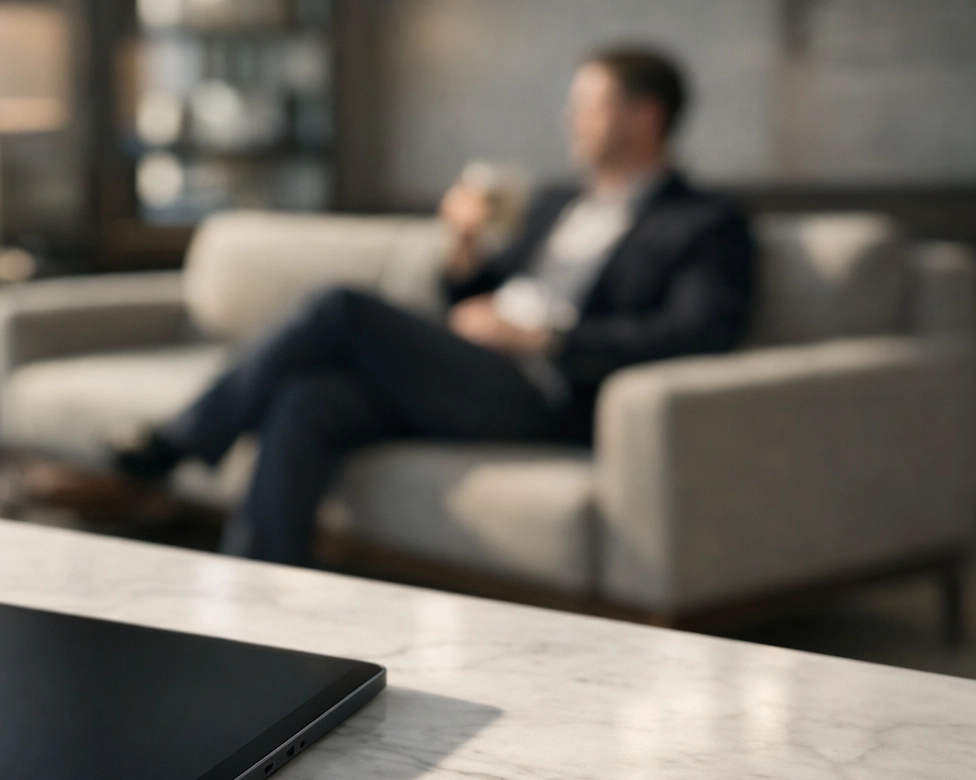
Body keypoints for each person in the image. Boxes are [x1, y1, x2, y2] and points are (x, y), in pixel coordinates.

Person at [113, 46, 756, 566]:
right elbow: (474, 297)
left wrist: (549, 339)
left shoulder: (702, 222)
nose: (570, 120)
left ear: (645, 117)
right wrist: (466, 246)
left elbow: (700, 332)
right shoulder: (559, 201)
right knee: (306, 397)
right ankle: (264, 588)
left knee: (340, 308)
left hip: (544, 390)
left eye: (588, 106)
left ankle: (180, 439)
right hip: (469, 368)